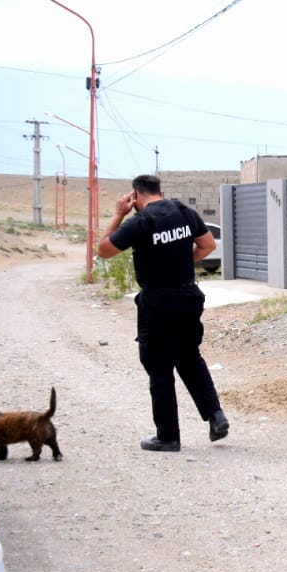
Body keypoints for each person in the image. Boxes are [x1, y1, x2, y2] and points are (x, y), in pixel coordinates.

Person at [96, 174, 229, 452]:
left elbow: (104, 250)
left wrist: (118, 214)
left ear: (135, 196)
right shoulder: (185, 212)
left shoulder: (141, 221)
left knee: (159, 367)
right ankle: (216, 415)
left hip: (158, 301)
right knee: (190, 358)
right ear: (161, 191)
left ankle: (168, 436)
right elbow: (208, 246)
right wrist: (178, 260)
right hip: (188, 296)